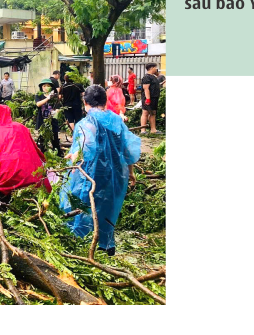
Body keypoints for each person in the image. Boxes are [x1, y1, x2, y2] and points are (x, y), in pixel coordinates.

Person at [62, 85, 142, 255]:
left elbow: (87, 148)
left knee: (84, 205)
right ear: (105, 101)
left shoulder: (85, 123)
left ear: (85, 102)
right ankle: (107, 245)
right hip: (115, 174)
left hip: (90, 174)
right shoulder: (116, 120)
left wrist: (74, 157)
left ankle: (81, 246)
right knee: (108, 207)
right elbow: (128, 149)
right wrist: (131, 172)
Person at [0, 103, 49, 194]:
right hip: (29, 175)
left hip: (5, 177)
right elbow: (34, 148)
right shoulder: (20, 127)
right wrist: (44, 160)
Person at [34, 79, 64, 152]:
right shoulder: (39, 95)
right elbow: (38, 104)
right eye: (44, 86)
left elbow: (58, 107)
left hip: (52, 121)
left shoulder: (54, 96)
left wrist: (55, 112)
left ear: (51, 87)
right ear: (42, 87)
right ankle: (43, 157)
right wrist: (47, 98)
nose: (46, 87)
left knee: (55, 140)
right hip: (42, 121)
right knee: (42, 141)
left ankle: (58, 155)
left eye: (48, 86)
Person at [138, 63, 165, 133]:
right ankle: (143, 130)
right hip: (148, 98)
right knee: (145, 112)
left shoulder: (153, 77)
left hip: (154, 98)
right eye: (155, 67)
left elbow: (155, 86)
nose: (156, 69)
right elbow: (146, 88)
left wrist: (162, 83)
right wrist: (148, 99)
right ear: (151, 68)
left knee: (153, 113)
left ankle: (153, 129)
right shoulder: (147, 77)